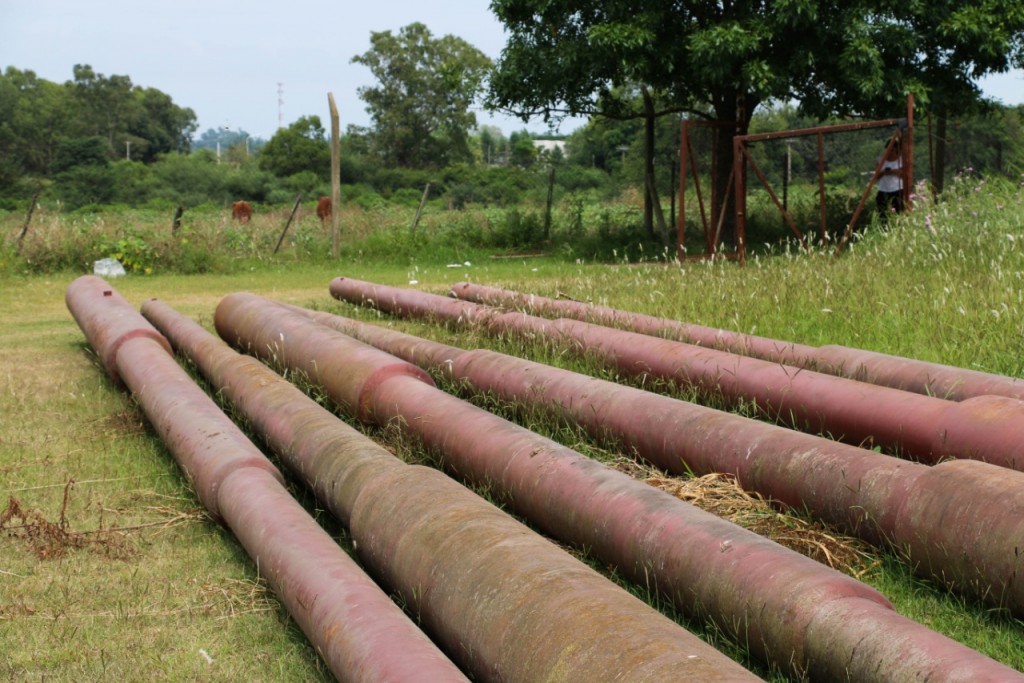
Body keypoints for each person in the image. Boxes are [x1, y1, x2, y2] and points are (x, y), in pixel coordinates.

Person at [875, 136, 904, 216]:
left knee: (899, 212)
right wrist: (884, 172)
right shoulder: (881, 160)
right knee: (882, 212)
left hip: (897, 189)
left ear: (896, 149)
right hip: (883, 189)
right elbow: (875, 176)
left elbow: (905, 176)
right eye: (888, 149)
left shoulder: (901, 160)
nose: (890, 152)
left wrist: (894, 172)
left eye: (892, 150)